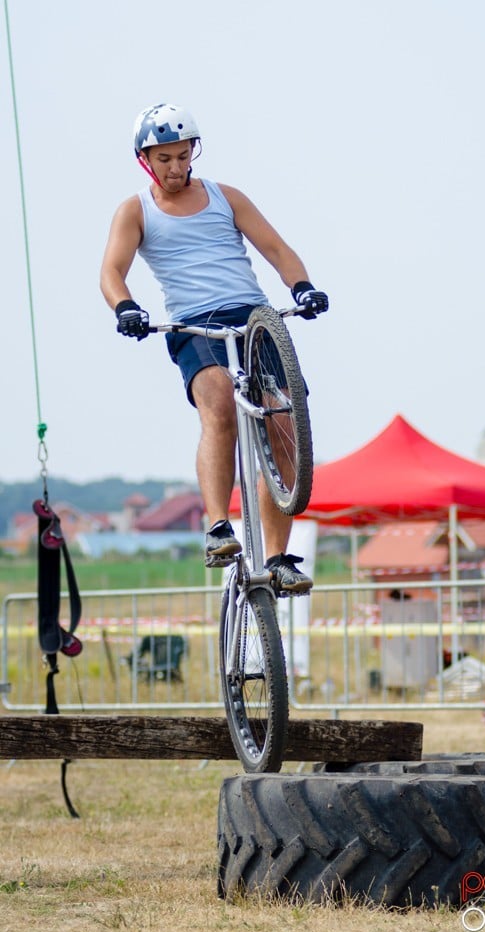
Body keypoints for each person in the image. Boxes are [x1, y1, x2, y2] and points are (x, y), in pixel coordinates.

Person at [100, 103, 328, 594]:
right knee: (220, 405)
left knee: (284, 421)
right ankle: (219, 527)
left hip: (254, 316)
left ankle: (279, 556)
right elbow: (111, 273)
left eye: (184, 156)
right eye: (165, 159)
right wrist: (126, 308)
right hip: (194, 325)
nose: (177, 168)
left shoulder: (227, 197)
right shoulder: (135, 210)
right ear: (145, 159)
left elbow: (277, 250)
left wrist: (302, 287)